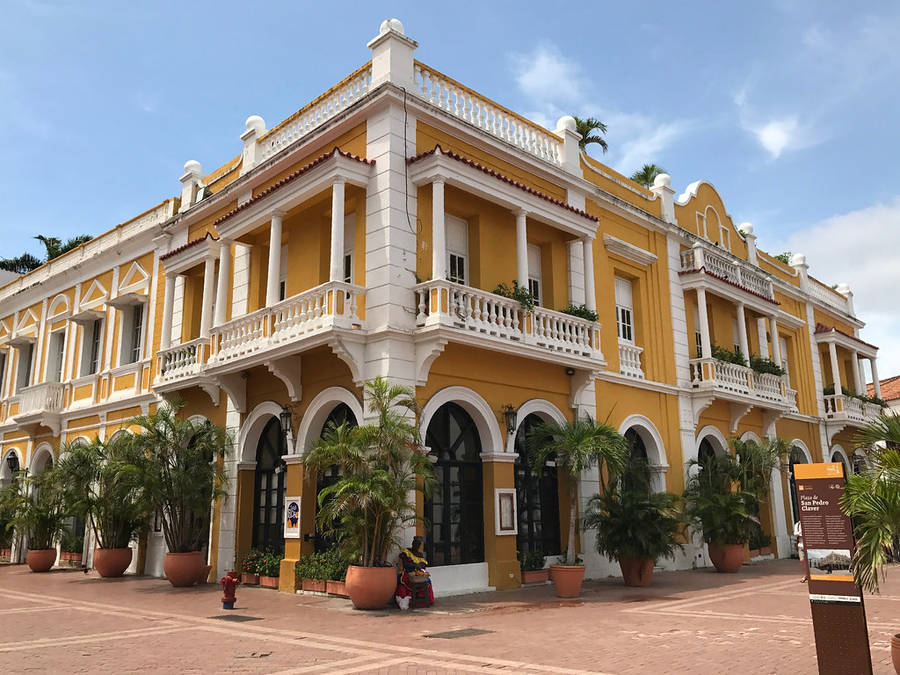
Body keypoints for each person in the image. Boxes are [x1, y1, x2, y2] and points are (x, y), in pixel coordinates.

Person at [395, 536, 434, 608]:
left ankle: (424, 600)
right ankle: (408, 600)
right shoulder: (406, 552)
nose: (416, 546)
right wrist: (415, 565)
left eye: (418, 544)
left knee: (427, 581)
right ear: (412, 543)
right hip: (408, 572)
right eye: (415, 544)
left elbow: (423, 566)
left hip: (418, 573)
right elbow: (406, 564)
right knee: (404, 580)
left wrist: (419, 567)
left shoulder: (420, 555)